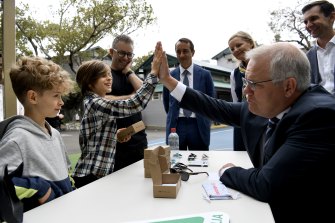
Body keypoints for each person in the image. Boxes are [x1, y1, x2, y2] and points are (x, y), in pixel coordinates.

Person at [157, 41, 335, 223]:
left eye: (254, 84)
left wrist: (228, 171)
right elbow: (214, 107)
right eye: (245, 82)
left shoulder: (318, 116)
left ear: (288, 86)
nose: (245, 90)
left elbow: (266, 184)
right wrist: (168, 81)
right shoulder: (271, 104)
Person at [72, 42, 162, 188]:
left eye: (109, 75)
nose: (109, 78)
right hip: (91, 174)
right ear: (89, 83)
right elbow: (135, 104)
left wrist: (115, 135)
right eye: (102, 76)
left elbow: (95, 138)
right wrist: (154, 72)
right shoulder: (95, 103)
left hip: (98, 172)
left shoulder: (93, 102)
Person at [0, 56, 75, 211]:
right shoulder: (17, 138)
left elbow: (67, 175)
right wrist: (39, 188)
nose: (61, 102)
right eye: (56, 95)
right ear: (33, 97)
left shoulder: (55, 134)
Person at [162, 38, 215, 151]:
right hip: (176, 127)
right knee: (176, 162)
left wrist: (207, 120)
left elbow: (212, 101)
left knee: (200, 162)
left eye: (185, 51)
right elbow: (167, 103)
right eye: (178, 51)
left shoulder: (205, 75)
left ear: (193, 52)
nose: (181, 55)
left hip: (198, 125)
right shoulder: (169, 76)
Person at [106, 34, 148, 171]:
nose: (125, 58)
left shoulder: (131, 75)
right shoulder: (103, 74)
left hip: (139, 141)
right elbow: (103, 100)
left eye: (129, 55)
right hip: (116, 144)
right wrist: (133, 97)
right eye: (122, 53)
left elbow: (144, 93)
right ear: (111, 52)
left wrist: (128, 71)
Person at [228, 31, 256, 151]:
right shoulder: (234, 74)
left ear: (250, 43)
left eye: (238, 45)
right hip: (242, 118)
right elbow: (236, 100)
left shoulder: (266, 64)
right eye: (232, 49)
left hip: (265, 116)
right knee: (241, 153)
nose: (235, 50)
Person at [302, 0, 335, 95]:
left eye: (313, 19)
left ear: (332, 17)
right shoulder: (308, 57)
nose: (308, 25)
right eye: (305, 22)